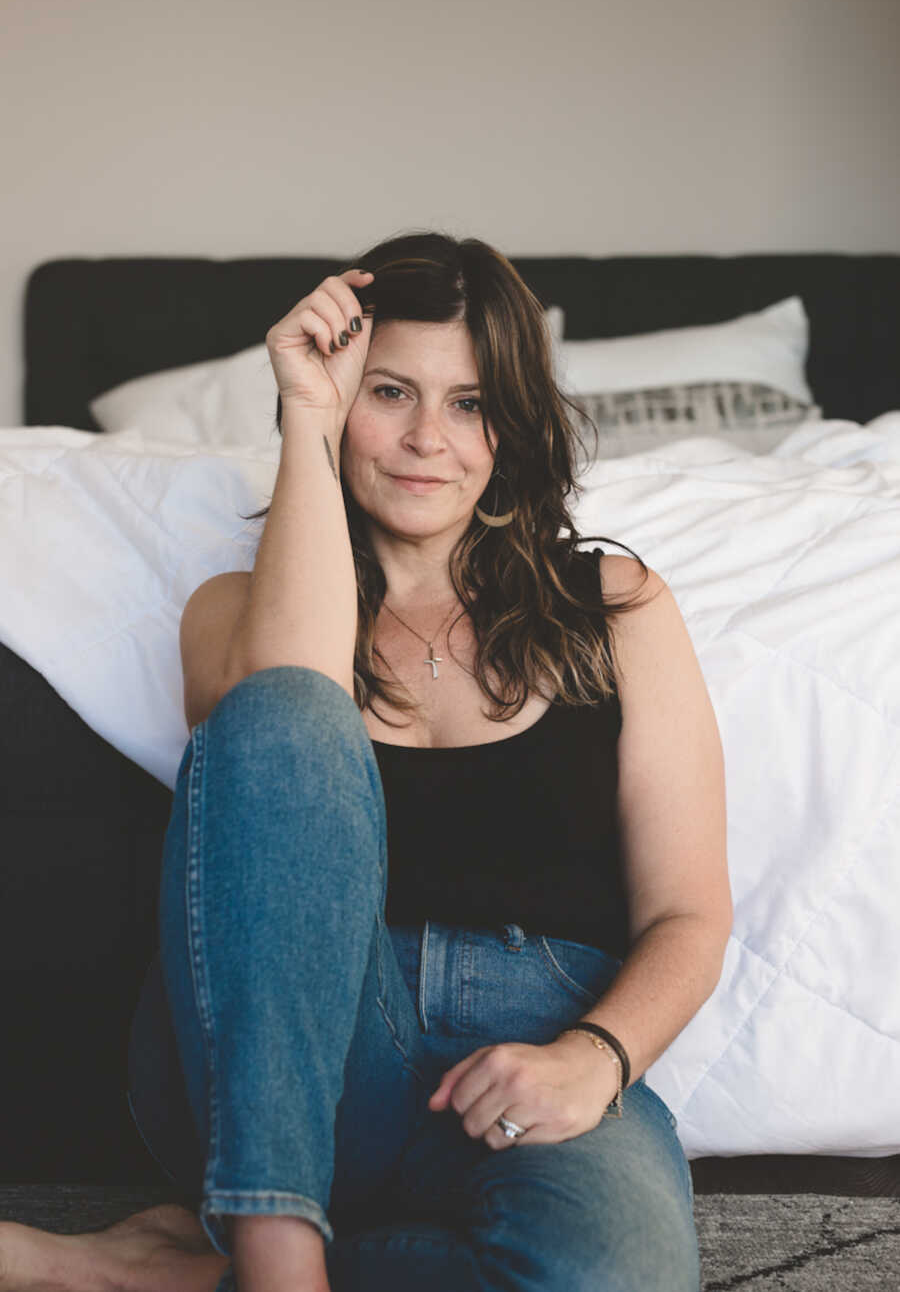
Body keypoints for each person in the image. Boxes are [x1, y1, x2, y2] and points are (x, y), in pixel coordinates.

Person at [0, 232, 731, 1292]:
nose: (428, 437)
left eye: (472, 402)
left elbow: (691, 914)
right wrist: (305, 411)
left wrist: (596, 1057)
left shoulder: (616, 607)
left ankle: (145, 1274)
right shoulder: (234, 612)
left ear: (512, 426)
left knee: (612, 1274)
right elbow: (289, 695)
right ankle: (278, 1249)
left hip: (539, 1046)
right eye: (390, 391)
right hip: (297, 1055)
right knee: (287, 709)